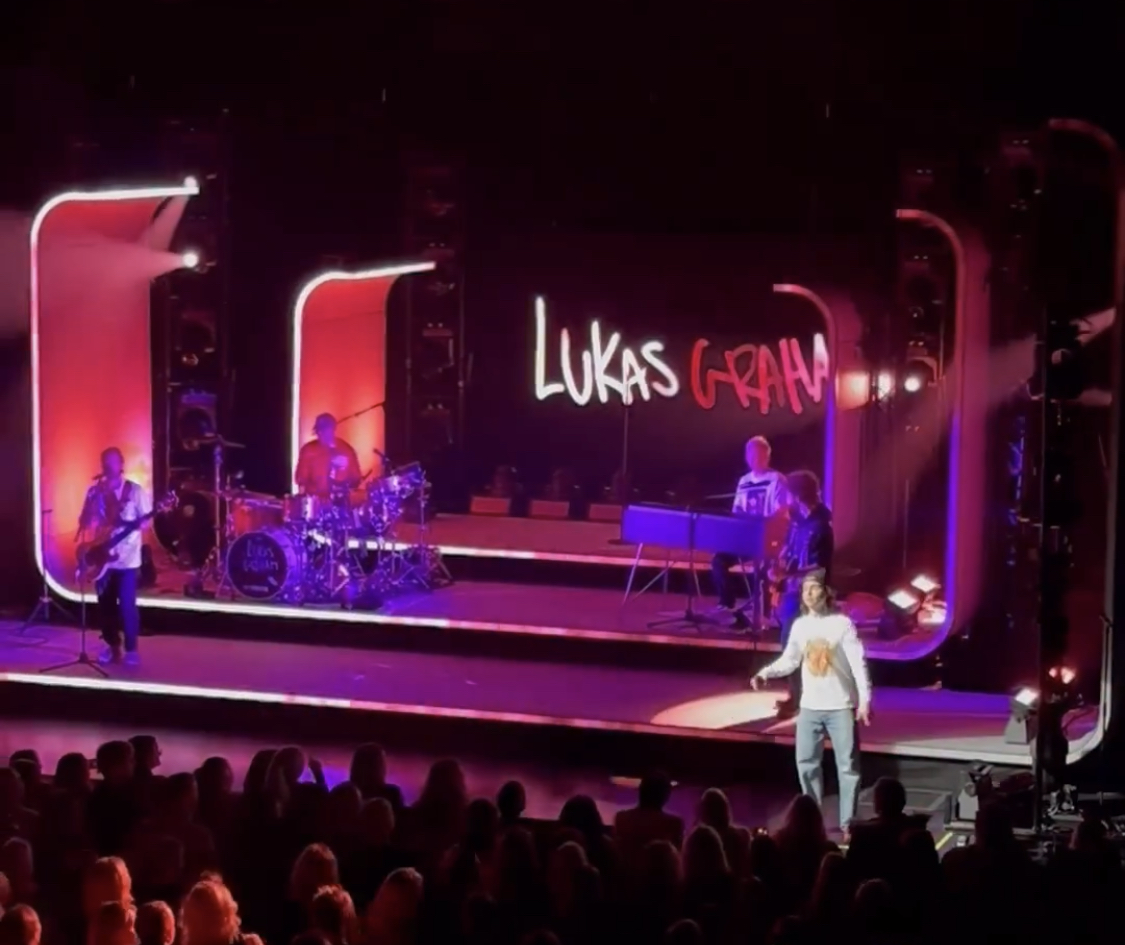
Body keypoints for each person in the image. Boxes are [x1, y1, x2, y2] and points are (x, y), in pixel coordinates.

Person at [750, 572, 869, 831]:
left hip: (840, 706)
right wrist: (765, 673)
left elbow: (857, 663)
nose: (809, 594)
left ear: (826, 592)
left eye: (814, 588)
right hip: (810, 707)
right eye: (805, 590)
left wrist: (864, 700)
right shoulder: (800, 626)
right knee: (806, 764)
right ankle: (811, 823)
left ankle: (848, 825)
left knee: (848, 767)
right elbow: (790, 659)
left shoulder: (842, 624)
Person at [768, 469, 834, 716]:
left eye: (788, 494)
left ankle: (803, 700)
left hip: (810, 594)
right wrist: (779, 564)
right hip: (794, 590)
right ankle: (798, 697)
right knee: (791, 644)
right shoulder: (798, 520)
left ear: (797, 495)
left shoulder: (822, 526)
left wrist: (788, 574)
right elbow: (789, 548)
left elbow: (820, 565)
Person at [78, 447, 151, 666]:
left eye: (113, 462)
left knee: (127, 606)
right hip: (103, 558)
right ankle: (112, 646)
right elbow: (85, 523)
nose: (109, 467)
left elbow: (147, 521)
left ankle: (131, 649)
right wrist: (92, 505)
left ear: (121, 464)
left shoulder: (134, 491)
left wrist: (135, 525)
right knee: (105, 606)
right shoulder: (95, 492)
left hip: (128, 560)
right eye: (105, 463)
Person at [711, 437, 789, 628]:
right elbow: (737, 509)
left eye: (760, 455)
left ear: (767, 456)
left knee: (763, 568)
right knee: (719, 560)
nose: (755, 459)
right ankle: (727, 604)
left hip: (767, 539)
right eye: (752, 455)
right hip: (746, 538)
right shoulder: (744, 481)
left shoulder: (777, 479)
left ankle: (763, 614)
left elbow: (781, 511)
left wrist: (764, 528)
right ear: (747, 457)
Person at [294, 414, 362, 499]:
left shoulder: (346, 450)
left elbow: (356, 478)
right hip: (315, 501)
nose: (321, 433)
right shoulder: (308, 450)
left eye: (325, 429)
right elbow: (300, 478)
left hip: (340, 501)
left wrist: (344, 484)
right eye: (319, 430)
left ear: (333, 429)